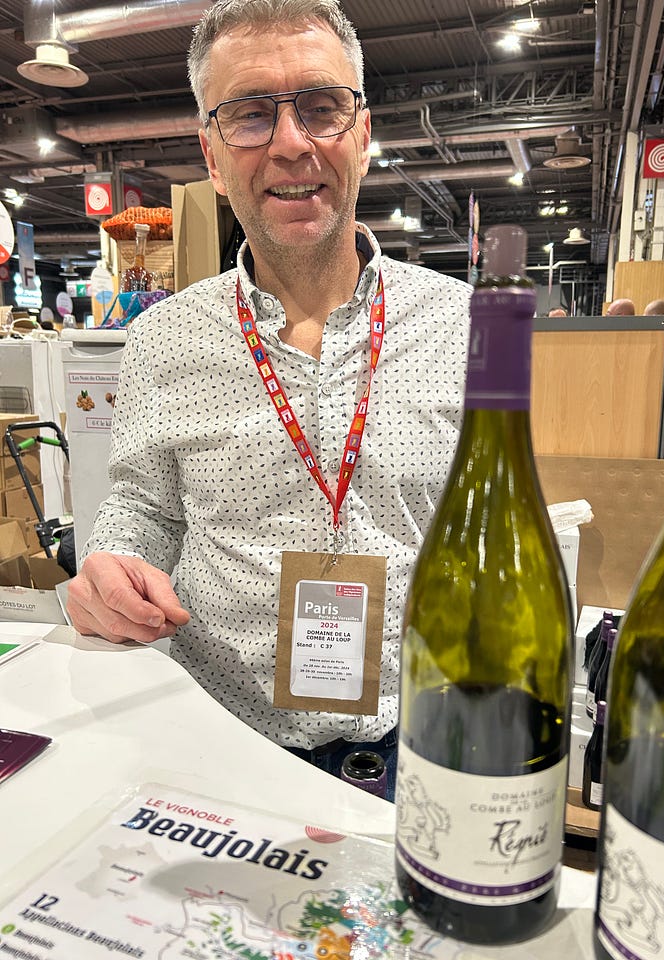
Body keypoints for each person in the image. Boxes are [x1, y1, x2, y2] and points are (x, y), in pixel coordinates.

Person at [66, 0, 472, 800]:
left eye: (321, 108)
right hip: (217, 745)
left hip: (427, 746)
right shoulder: (163, 341)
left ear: (361, 132)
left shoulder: (469, 327)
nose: (292, 143)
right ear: (213, 157)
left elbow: (511, 528)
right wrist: (111, 566)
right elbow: (146, 509)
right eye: (250, 115)